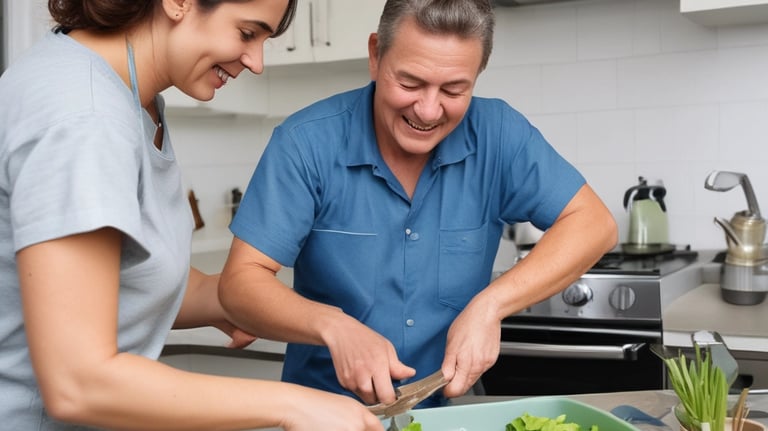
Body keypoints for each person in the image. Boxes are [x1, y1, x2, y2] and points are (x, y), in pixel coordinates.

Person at [0, 0, 386, 430]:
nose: (256, 62)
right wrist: (296, 404)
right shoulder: (84, 117)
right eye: (247, 33)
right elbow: (79, 382)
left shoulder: (131, 99)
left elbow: (118, 280)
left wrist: (234, 299)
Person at [220, 0, 618, 410]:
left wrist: (490, 306)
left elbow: (594, 224)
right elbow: (239, 284)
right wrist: (334, 326)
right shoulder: (305, 143)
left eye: (453, 90)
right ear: (376, 55)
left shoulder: (500, 134)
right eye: (410, 83)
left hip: (451, 413)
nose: (428, 111)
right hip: (324, 412)